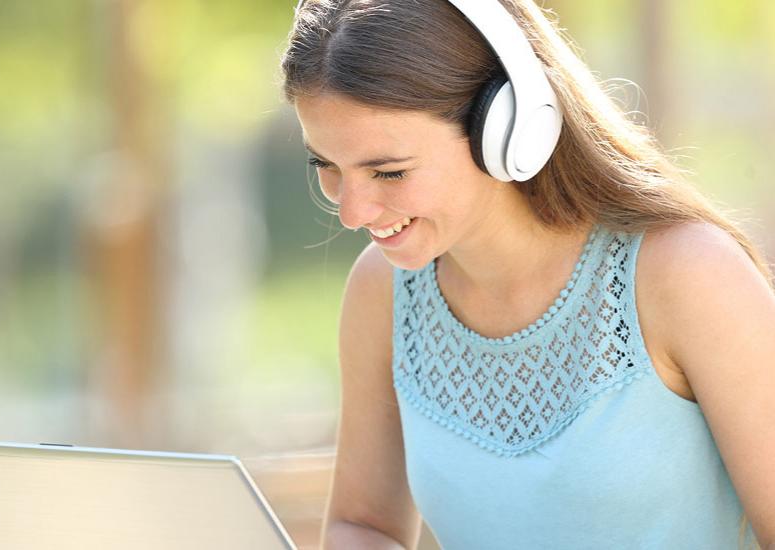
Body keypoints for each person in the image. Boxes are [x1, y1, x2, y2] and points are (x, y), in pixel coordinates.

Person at [279, 1, 774, 549]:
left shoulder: (686, 274)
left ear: (509, 126)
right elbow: (363, 525)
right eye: (324, 164)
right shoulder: (383, 289)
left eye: (389, 172)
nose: (352, 212)